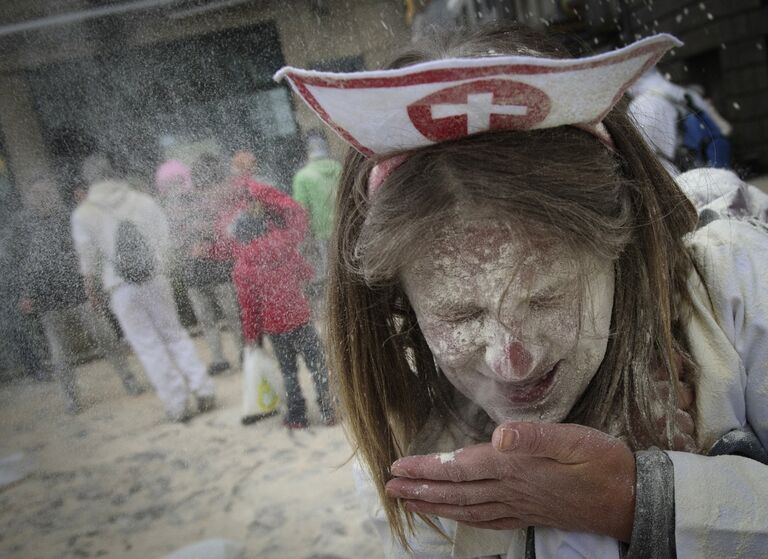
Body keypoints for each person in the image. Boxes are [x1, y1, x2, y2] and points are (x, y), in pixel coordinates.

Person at [278, 25, 768, 557]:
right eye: (461, 315)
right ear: (403, 302)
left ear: (619, 245)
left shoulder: (736, 294)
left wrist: (637, 501)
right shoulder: (418, 460)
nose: (513, 362)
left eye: (547, 297)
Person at [71, 154, 215, 421]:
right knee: (175, 335)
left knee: (149, 346)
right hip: (155, 277)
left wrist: (92, 290)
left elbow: (87, 259)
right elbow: (164, 239)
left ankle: (178, 403)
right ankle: (203, 388)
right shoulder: (142, 201)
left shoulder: (84, 213)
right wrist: (162, 269)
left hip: (120, 286)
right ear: (112, 174)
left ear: (89, 180)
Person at [12, 175, 143, 412]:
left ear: (53, 194)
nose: (43, 199)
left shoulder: (69, 218)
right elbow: (23, 265)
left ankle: (128, 379)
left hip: (80, 294)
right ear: (29, 199)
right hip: (48, 303)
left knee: (106, 340)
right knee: (60, 356)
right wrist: (26, 293)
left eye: (47, 193)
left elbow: (88, 250)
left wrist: (92, 284)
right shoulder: (24, 227)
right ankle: (71, 399)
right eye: (37, 195)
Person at [219, 161, 335, 429]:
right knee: (318, 366)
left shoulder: (243, 267)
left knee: (289, 372)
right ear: (267, 225)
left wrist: (251, 338)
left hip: (275, 327)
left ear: (241, 237)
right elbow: (306, 273)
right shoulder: (284, 245)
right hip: (300, 318)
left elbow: (249, 308)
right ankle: (329, 410)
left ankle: (297, 416)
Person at [155, 156, 243, 375]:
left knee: (226, 315)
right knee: (211, 318)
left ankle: (241, 352)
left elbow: (218, 230)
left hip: (213, 268)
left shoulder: (204, 202)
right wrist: (191, 244)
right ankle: (220, 357)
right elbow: (171, 242)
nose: (176, 188)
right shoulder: (170, 212)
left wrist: (199, 241)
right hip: (198, 273)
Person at [292, 133, 342, 284]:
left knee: (332, 273)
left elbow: (301, 210)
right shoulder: (337, 168)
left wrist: (305, 235)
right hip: (342, 226)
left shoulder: (302, 177)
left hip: (322, 231)